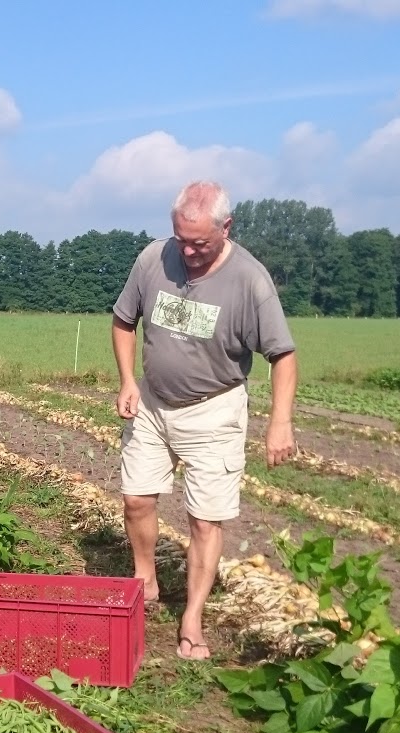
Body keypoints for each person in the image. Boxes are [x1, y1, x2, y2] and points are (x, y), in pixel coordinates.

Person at [111, 180, 298, 661]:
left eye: (200, 243)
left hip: (214, 410)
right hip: (152, 402)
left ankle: (192, 616)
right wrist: (128, 380)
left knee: (205, 521)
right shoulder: (153, 259)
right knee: (135, 499)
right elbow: (123, 321)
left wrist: (281, 422)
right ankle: (144, 579)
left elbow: (282, 355)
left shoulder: (250, 280)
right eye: (182, 239)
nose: (189, 252)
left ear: (226, 227)